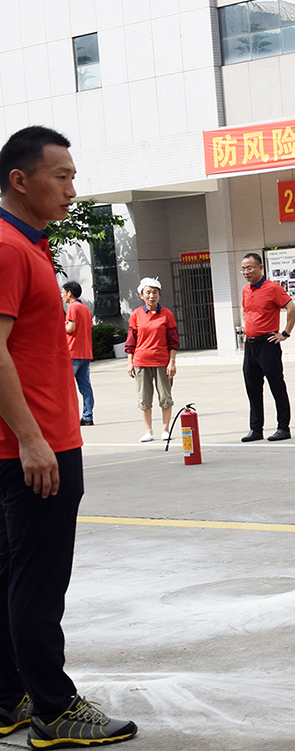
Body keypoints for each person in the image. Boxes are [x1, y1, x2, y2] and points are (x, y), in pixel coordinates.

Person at [0, 126, 137, 746]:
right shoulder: (9, 248)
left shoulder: (28, 245)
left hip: (28, 443)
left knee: (13, 577)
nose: (72, 190)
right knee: (38, 582)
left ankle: (10, 698)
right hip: (36, 447)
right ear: (20, 180)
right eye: (62, 177)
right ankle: (54, 711)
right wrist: (31, 440)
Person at [239, 252, 295, 442]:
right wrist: (246, 328)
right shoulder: (245, 290)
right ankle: (256, 429)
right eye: (243, 269)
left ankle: (283, 427)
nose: (246, 272)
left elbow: (292, 308)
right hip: (251, 345)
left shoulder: (273, 288)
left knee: (276, 386)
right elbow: (244, 309)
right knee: (253, 388)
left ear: (260, 267)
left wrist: (285, 333)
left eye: (249, 268)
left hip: (268, 343)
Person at [124, 278, 179, 443]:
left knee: (165, 396)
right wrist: (130, 362)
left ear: (159, 295)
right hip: (141, 361)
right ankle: (148, 431)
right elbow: (131, 341)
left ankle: (165, 429)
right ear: (141, 295)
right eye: (147, 292)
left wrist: (172, 361)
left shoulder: (167, 315)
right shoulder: (136, 315)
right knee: (144, 398)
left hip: (162, 361)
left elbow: (173, 341)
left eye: (155, 292)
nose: (151, 296)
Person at [60, 281, 93, 427]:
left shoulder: (72, 307)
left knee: (66, 386)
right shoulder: (86, 309)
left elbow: (70, 327)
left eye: (63, 292)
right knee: (85, 387)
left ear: (69, 293)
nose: (62, 296)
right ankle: (88, 416)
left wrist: (57, 326)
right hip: (85, 352)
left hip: (72, 352)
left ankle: (68, 417)